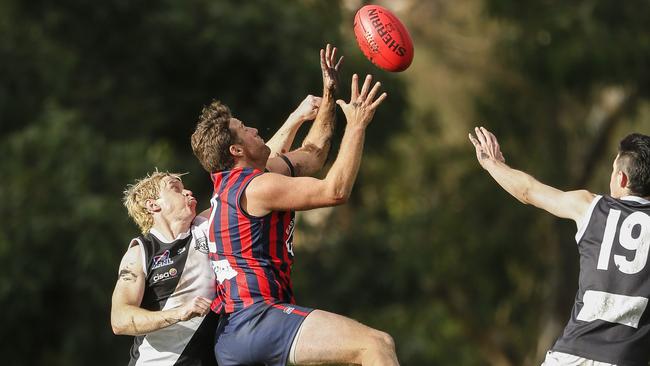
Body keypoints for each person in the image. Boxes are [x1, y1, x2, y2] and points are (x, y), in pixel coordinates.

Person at [191, 44, 399, 366]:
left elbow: (314, 153)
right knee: (375, 344)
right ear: (236, 151)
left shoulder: (237, 186)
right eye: (246, 129)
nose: (256, 130)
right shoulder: (259, 187)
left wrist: (329, 95)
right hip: (258, 318)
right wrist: (357, 124)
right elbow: (336, 191)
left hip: (235, 335)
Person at [110, 95, 323, 366]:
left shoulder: (206, 225)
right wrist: (177, 313)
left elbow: (255, 168)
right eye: (175, 188)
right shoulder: (141, 252)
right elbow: (119, 319)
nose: (186, 190)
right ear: (153, 206)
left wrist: (297, 117)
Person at [469, 126, 650, 366]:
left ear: (622, 178)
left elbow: (528, 190)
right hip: (624, 359)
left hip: (571, 354)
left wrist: (493, 164)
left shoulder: (591, 206)